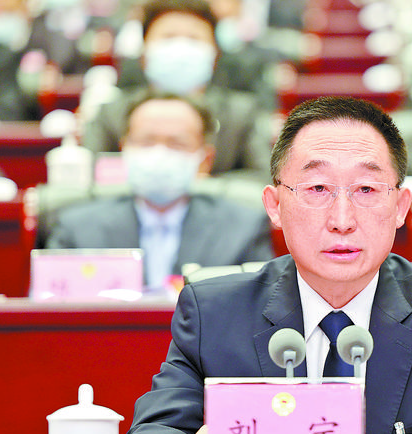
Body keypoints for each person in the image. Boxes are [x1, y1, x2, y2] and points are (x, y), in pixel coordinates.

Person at [118, 96, 412, 434]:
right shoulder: (214, 309)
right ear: (274, 205)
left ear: (401, 207)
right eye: (317, 188)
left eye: (366, 189)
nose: (342, 220)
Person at [47, 92, 274, 291]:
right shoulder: (77, 228)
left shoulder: (243, 228)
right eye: (146, 141)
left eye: (177, 143)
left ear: (205, 159)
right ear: (124, 149)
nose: (159, 154)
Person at [81, 0, 271, 178]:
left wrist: (203, 188)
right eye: (168, 37)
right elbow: (88, 182)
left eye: (193, 38)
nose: (181, 48)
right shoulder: (111, 114)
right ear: (144, 55)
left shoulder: (241, 115)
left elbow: (262, 181)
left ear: (215, 56)